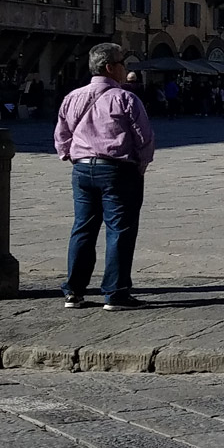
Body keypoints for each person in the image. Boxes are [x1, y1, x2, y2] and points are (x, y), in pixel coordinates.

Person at [54, 43, 155, 311]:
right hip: (117, 170)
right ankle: (115, 293)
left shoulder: (73, 97)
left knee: (83, 228)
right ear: (110, 67)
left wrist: (71, 156)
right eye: (122, 63)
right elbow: (144, 137)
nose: (125, 68)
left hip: (82, 169)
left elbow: (61, 135)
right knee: (119, 230)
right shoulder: (125, 99)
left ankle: (74, 291)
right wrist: (142, 164)